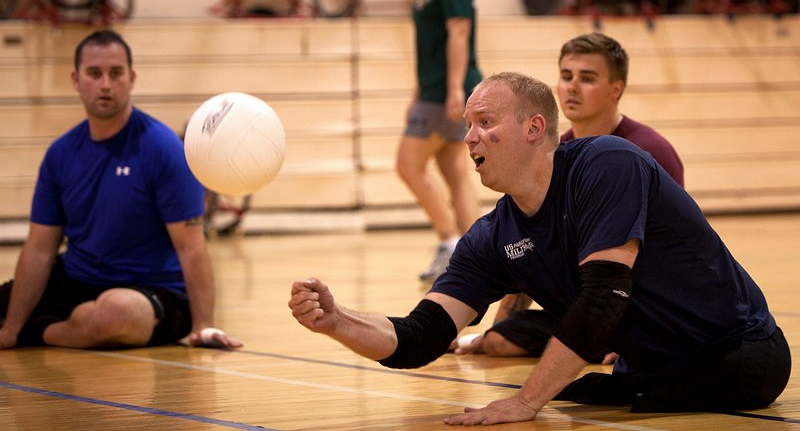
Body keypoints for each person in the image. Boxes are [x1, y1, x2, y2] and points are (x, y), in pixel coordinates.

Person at [290, 72, 790, 425]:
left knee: (580, 394)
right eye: (468, 124)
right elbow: (422, 336)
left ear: (534, 129)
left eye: (485, 121)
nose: (469, 137)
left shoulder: (607, 164)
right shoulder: (490, 236)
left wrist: (527, 401)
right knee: (588, 393)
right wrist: (338, 322)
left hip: (738, 356)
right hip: (652, 370)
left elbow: (603, 299)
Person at [0, 30, 241, 351]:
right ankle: (53, 326)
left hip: (152, 293)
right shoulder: (61, 154)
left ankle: (41, 332)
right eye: (94, 73)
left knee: (116, 313)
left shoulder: (164, 150)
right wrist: (10, 328)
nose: (105, 84)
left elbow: (192, 248)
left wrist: (203, 326)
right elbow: (40, 249)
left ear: (131, 78)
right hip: (78, 281)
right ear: (76, 79)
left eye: (115, 73)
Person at [456, 32, 685, 358]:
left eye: (587, 78)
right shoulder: (551, 152)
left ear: (616, 89)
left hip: (637, 302)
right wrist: (495, 330)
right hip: (580, 301)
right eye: (566, 76)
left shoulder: (647, 151)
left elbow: (673, 251)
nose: (572, 87)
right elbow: (526, 243)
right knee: (500, 341)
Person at [396, 0, 483, 282]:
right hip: (434, 89)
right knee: (454, 172)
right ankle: (479, 252)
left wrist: (454, 90)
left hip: (448, 90)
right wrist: (419, 91)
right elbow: (429, 46)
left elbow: (459, 34)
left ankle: (449, 243)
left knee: (408, 165)